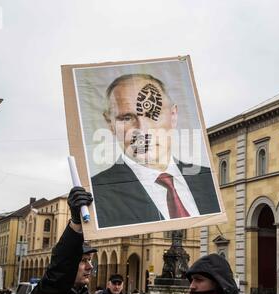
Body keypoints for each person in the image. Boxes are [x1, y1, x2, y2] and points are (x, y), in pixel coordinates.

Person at [91, 73, 220, 228]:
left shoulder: (209, 182)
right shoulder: (97, 193)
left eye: (153, 114)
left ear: (173, 116)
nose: (142, 130)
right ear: (110, 124)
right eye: (127, 118)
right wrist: (76, 225)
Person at [29, 186, 97, 294]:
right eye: (83, 260)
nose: (90, 267)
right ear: (69, 263)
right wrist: (76, 223)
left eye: (89, 260)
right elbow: (58, 275)